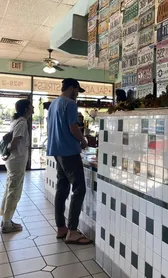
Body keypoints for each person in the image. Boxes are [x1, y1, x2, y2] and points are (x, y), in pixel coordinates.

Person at [47, 78, 91, 245]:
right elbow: (73, 128)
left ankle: (61, 227)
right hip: (69, 151)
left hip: (57, 151)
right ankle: (72, 231)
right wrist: (83, 141)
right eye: (77, 91)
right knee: (79, 188)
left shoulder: (53, 104)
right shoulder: (70, 104)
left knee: (62, 188)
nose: (77, 94)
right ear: (71, 88)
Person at [0, 99, 34, 233]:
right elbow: (15, 143)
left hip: (13, 161)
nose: (33, 109)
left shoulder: (16, 121)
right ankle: (7, 223)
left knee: (10, 188)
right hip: (17, 160)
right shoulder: (22, 122)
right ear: (26, 109)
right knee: (14, 191)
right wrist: (8, 149)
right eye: (31, 106)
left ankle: (5, 219)